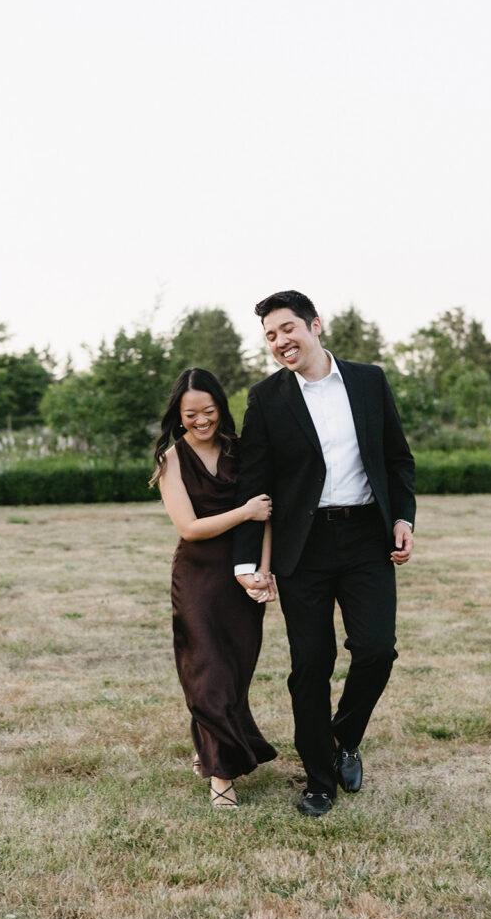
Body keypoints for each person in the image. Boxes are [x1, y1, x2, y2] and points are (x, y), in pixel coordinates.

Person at [233, 291, 415, 816]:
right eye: (269, 335)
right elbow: (254, 483)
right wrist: (249, 563)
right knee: (311, 664)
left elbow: (398, 460)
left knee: (377, 649)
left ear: (315, 325)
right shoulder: (267, 399)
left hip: (365, 539)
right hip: (303, 548)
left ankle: (343, 738)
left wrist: (403, 519)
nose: (280, 341)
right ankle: (318, 778)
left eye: (287, 329)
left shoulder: (368, 380)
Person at [151, 367, 277, 809]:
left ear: (221, 408)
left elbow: (267, 516)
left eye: (209, 411)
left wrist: (265, 571)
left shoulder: (242, 452)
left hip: (242, 581)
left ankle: (211, 748)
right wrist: (243, 512)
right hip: (199, 579)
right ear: (178, 415)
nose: (201, 420)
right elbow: (189, 527)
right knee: (207, 676)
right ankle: (221, 775)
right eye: (191, 414)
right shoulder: (171, 460)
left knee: (235, 674)